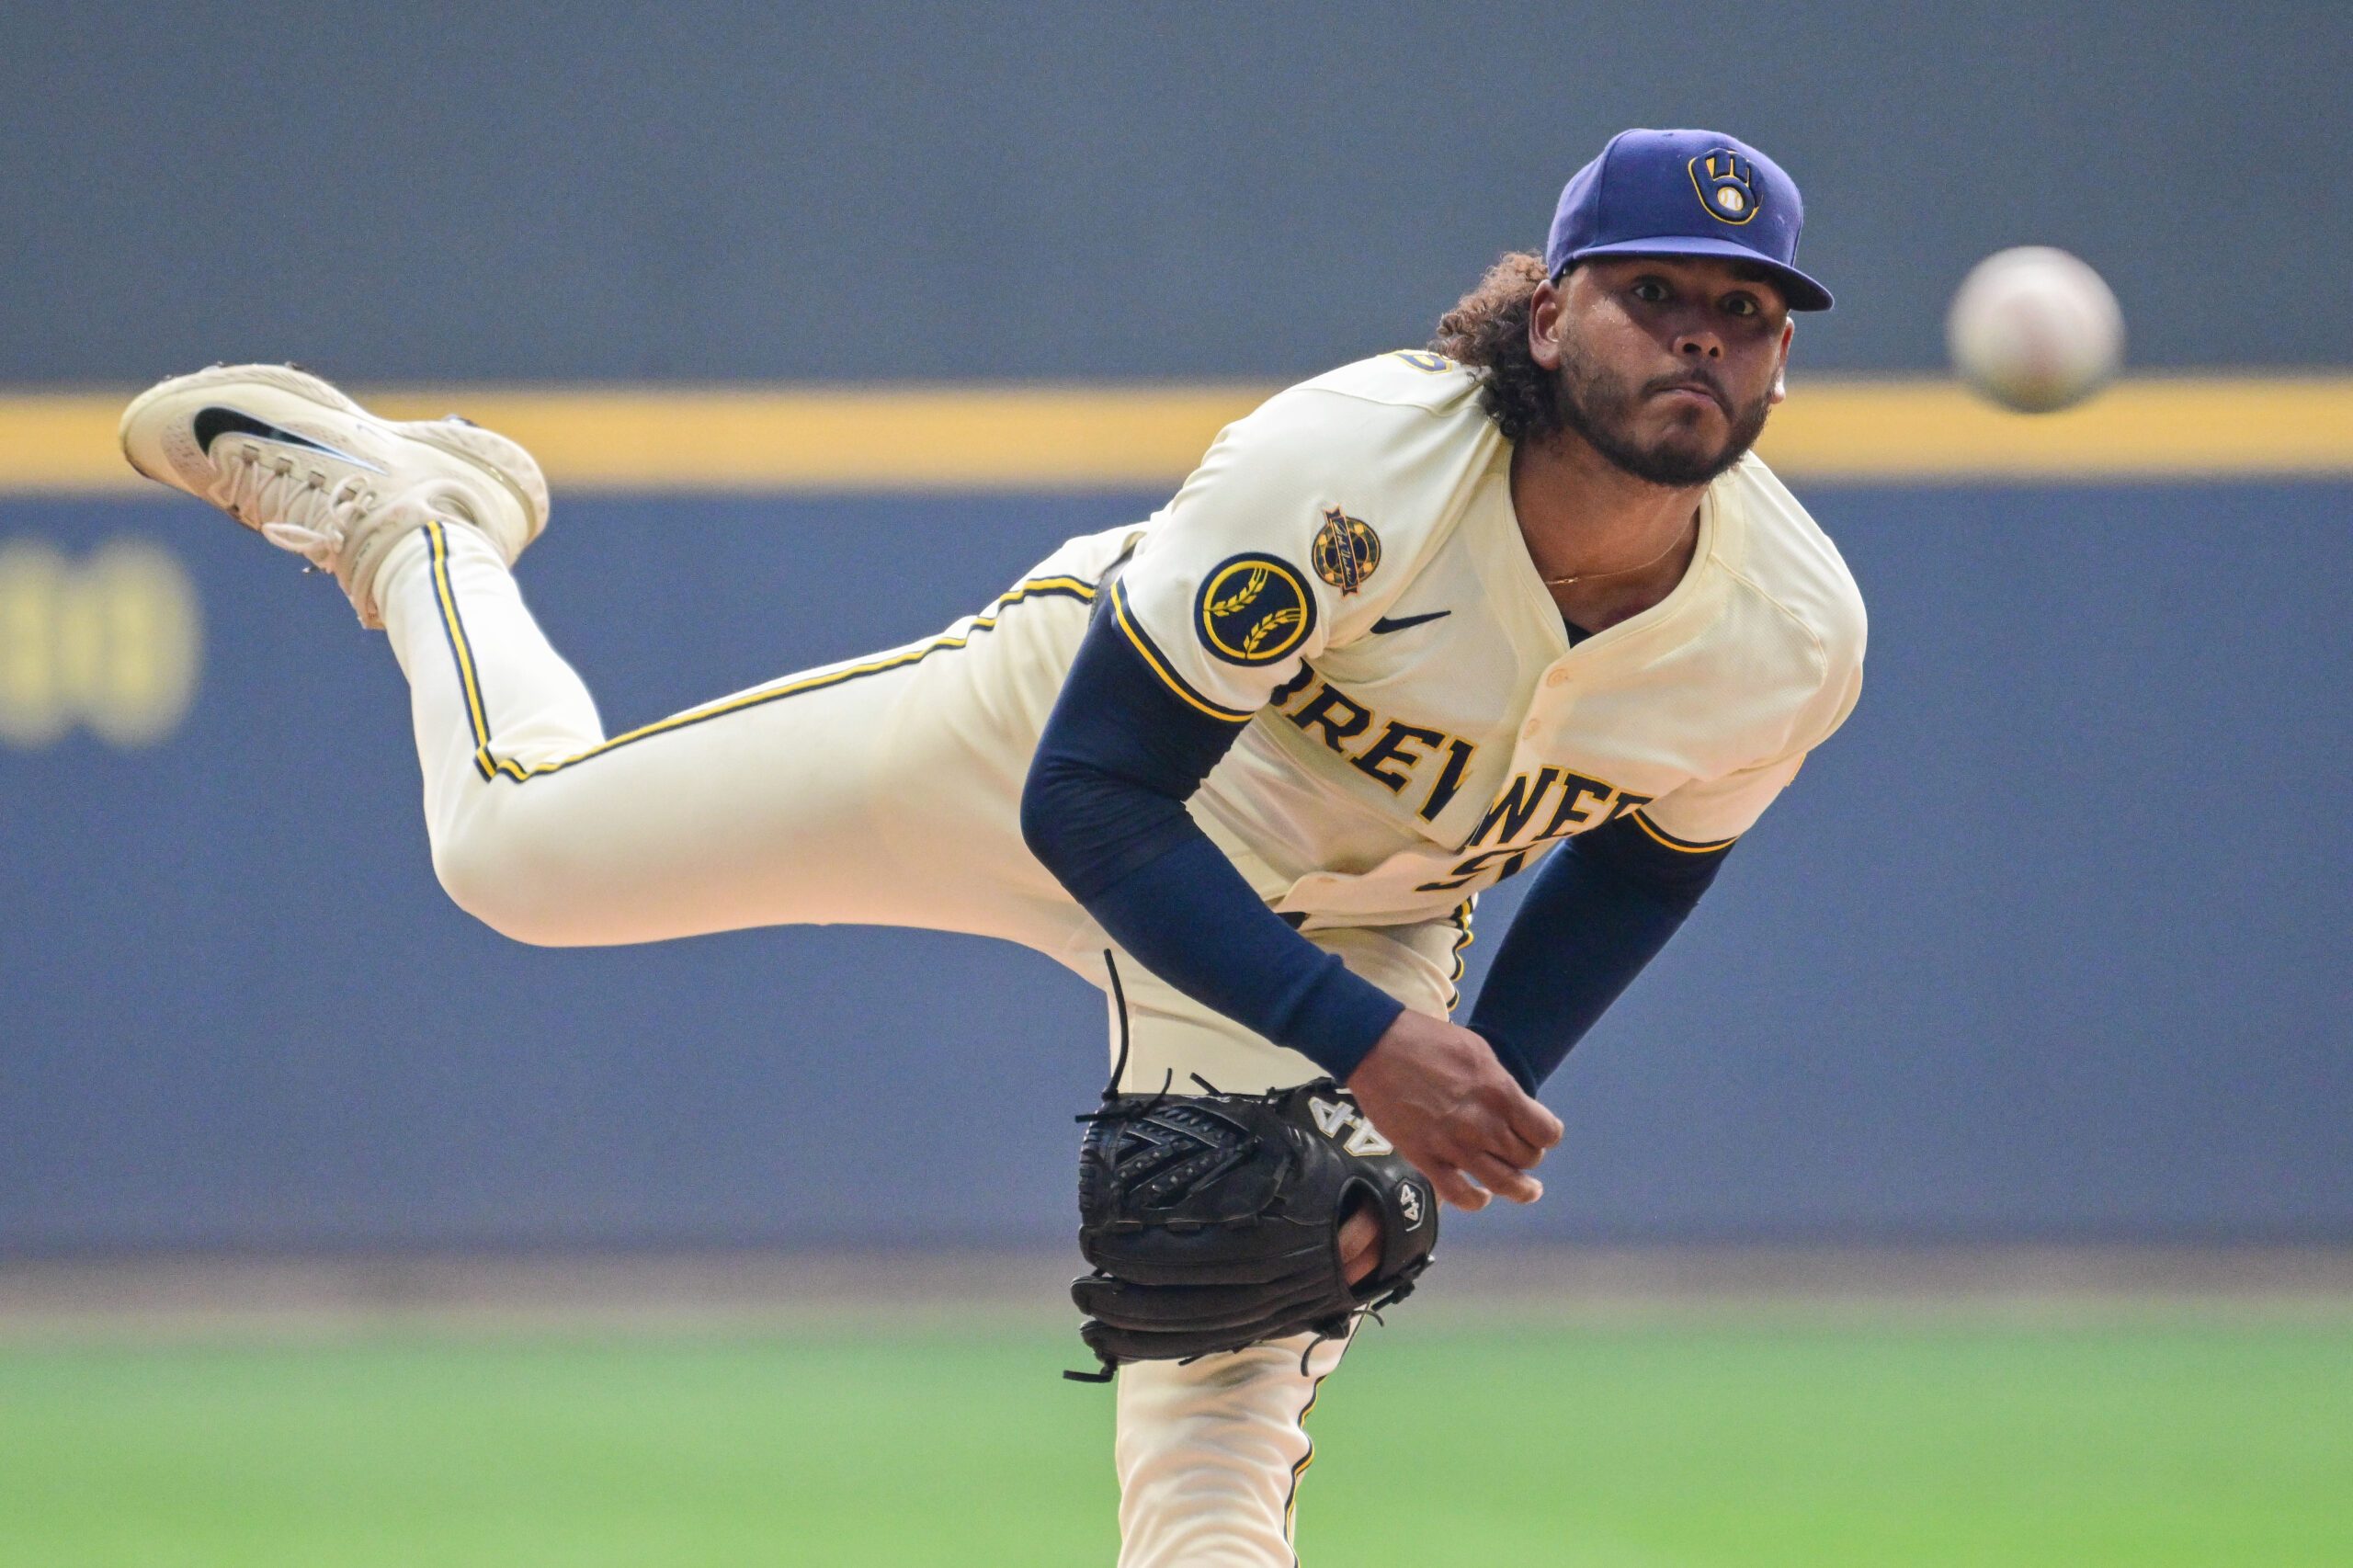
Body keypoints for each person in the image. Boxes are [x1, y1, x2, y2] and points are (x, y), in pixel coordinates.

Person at [120, 126, 1863, 1567]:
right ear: (1551, 317)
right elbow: (1090, 798)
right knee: (510, 853)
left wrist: (1431, 1123)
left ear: (1783, 352)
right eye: (1655, 295)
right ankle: (428, 525)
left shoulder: (1789, 632)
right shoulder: (1352, 470)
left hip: (1351, 921)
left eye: (1747, 310)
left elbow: (1648, 858)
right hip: (1050, 748)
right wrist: (1369, 1046)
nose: (1702, 336)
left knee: (1217, 1455)